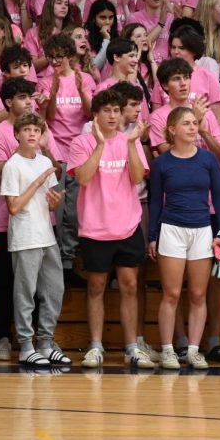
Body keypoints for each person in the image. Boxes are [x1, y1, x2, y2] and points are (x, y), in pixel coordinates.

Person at [70, 89, 152, 369]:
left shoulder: (131, 141)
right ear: (95, 115)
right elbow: (82, 177)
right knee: (96, 286)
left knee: (129, 285)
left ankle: (132, 347)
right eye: (107, 111)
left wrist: (131, 144)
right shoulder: (81, 142)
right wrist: (100, 145)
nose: (113, 115)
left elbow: (138, 177)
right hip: (95, 227)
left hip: (128, 225)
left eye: (117, 111)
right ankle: (95, 346)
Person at [147, 107, 220, 370]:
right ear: (172, 129)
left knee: (197, 293)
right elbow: (155, 203)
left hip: (203, 230)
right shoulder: (162, 163)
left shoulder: (208, 160)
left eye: (195, 123)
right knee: (171, 293)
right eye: (186, 124)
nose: (193, 128)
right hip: (171, 229)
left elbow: (218, 198)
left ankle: (193, 350)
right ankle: (169, 350)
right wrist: (152, 236)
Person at [0, 112, 67, 366]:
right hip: (25, 236)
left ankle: (46, 343)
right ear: (17, 134)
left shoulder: (44, 161)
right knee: (25, 293)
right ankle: (26, 346)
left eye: (36, 131)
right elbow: (14, 207)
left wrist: (54, 202)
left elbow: (48, 203)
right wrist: (38, 181)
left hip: (46, 235)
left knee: (54, 290)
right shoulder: (12, 165)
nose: (31, 134)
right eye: (26, 129)